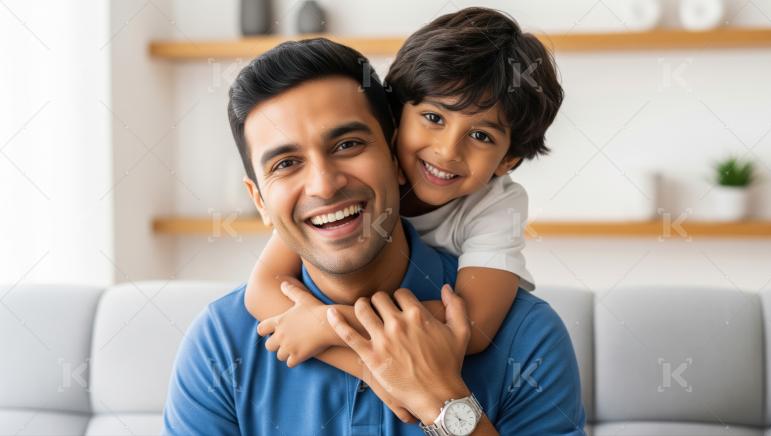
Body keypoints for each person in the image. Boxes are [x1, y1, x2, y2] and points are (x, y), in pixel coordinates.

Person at [162, 36, 584, 435]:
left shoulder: (526, 338)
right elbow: (263, 288)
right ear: (260, 202)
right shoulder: (221, 344)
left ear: (396, 155)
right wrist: (376, 367)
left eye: (347, 145)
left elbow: (470, 325)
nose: (324, 186)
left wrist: (443, 400)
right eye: (286, 164)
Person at [244, 7, 564, 387]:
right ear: (394, 119)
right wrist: (378, 376)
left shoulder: (494, 206)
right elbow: (262, 290)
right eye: (433, 118)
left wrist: (329, 326)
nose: (447, 151)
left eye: (481, 136)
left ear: (508, 160)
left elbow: (474, 326)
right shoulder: (354, 177)